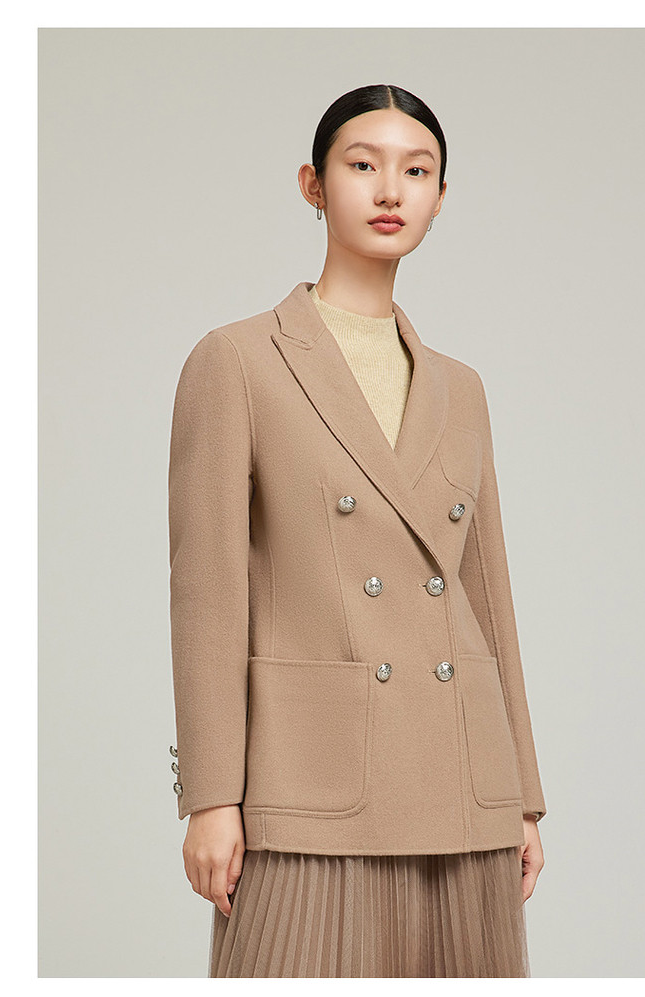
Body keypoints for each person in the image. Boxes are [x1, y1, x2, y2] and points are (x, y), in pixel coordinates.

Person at [167, 83, 546, 978]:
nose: (389, 190)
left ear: (440, 198)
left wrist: (523, 795)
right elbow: (207, 594)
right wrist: (212, 796)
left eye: (416, 172)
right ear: (313, 183)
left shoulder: (461, 387)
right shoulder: (238, 359)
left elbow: (487, 597)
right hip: (312, 781)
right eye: (362, 164)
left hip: (462, 777)